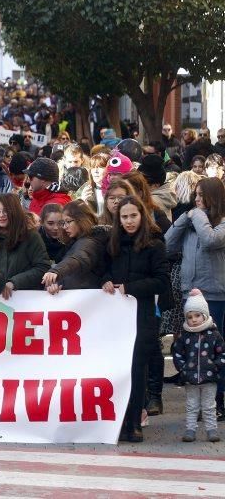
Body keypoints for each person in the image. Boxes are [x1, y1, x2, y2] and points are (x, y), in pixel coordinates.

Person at [103, 195, 169, 442]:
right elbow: (104, 270)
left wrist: (130, 287)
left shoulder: (154, 245)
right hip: (117, 317)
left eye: (133, 215)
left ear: (142, 216)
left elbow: (161, 282)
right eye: (124, 217)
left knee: (137, 369)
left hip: (143, 315)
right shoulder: (113, 245)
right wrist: (106, 280)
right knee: (119, 368)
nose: (129, 221)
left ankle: (134, 423)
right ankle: (119, 421)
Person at [165, 177, 225, 418]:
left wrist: (197, 216)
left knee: (214, 350)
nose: (197, 201)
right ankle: (203, 402)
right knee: (195, 351)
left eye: (201, 196)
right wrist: (183, 218)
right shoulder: (192, 223)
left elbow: (211, 241)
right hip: (189, 293)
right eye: (195, 196)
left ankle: (218, 400)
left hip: (215, 295)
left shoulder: (221, 224)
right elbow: (167, 245)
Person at [172, 289, 225, 442]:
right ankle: (190, 429)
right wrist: (182, 368)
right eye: (189, 317)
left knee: (209, 406)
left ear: (205, 315)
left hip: (210, 378)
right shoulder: (184, 336)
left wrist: (215, 366)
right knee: (191, 405)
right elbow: (177, 353)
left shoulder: (214, 334)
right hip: (190, 378)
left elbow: (222, 353)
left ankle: (211, 429)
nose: (193, 320)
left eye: (197, 315)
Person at [0, 193, 51, 299]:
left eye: (6, 211)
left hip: (25, 300)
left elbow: (43, 268)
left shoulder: (31, 236)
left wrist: (14, 282)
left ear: (15, 211)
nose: (1, 215)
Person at [41, 200, 108, 293]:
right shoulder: (76, 241)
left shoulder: (90, 241)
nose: (65, 227)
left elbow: (78, 257)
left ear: (81, 219)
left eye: (68, 221)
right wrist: (56, 284)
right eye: (63, 223)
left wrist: (56, 271)